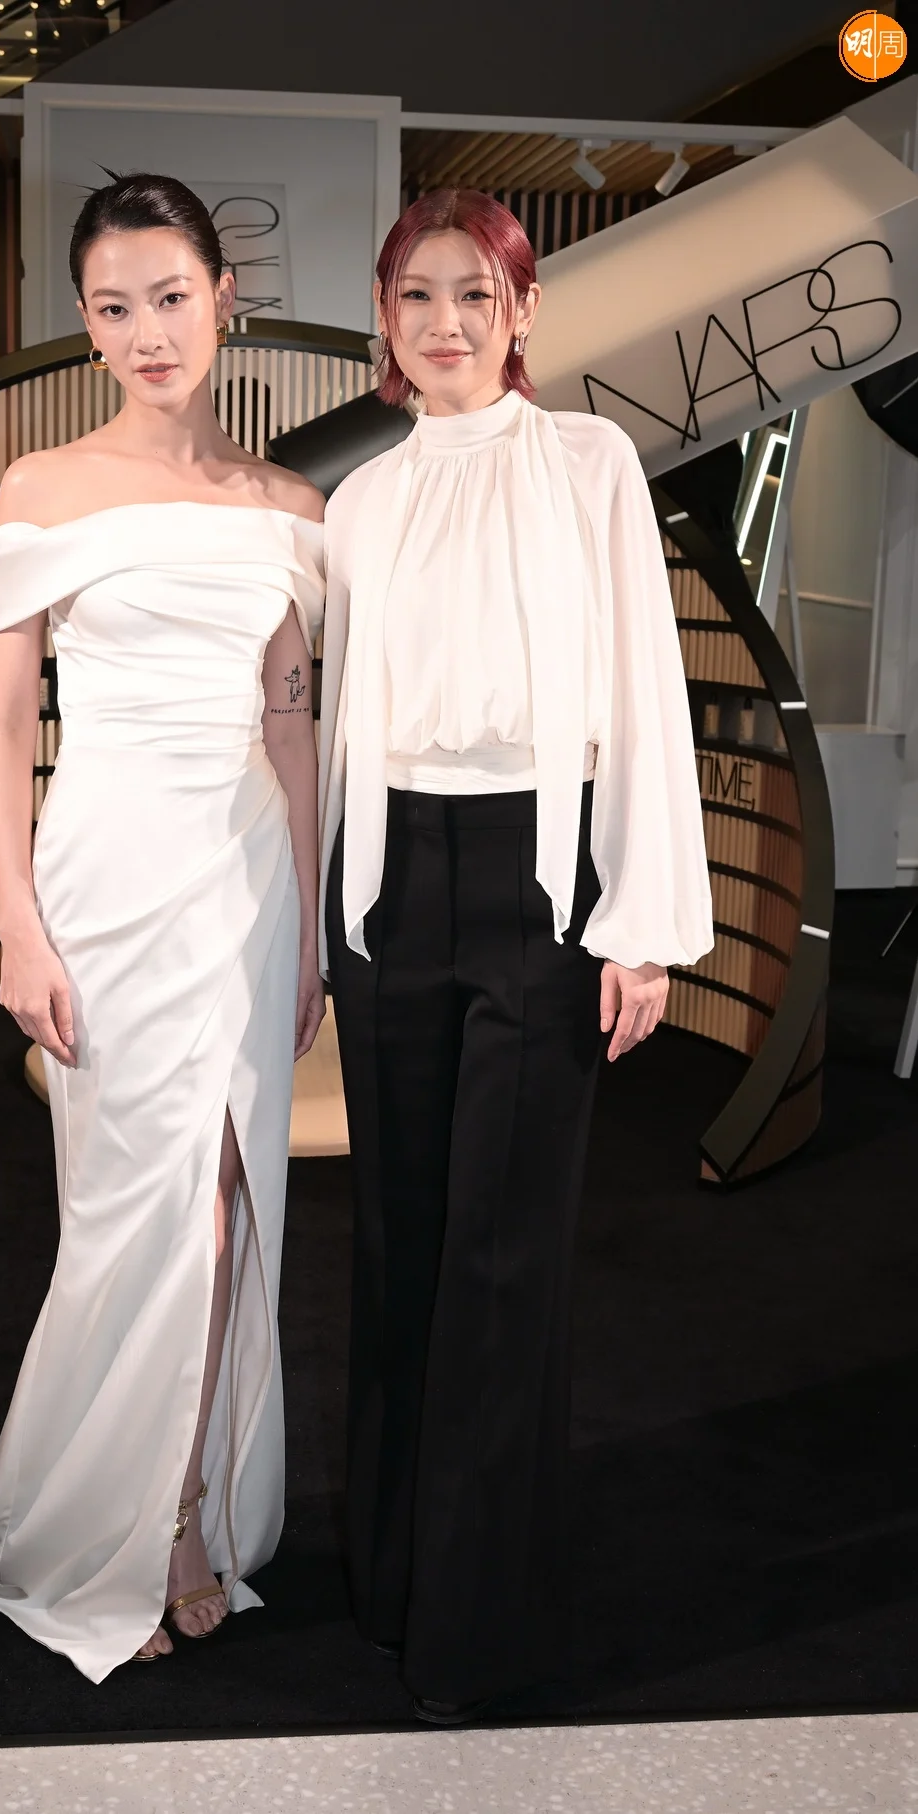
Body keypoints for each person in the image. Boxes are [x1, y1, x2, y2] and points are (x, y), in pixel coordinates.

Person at [0, 172, 326, 1679]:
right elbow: (3, 723)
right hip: (103, 873)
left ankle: (181, 1513)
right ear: (86, 325)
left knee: (227, 1202)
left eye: (170, 297)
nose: (148, 331)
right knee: (132, 1212)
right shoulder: (41, 486)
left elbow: (289, 723)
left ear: (224, 299)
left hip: (247, 878)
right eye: (114, 307)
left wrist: (312, 926)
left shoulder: (290, 508)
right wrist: (15, 925)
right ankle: (106, 1513)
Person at [318, 188, 714, 1726]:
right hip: (389, 885)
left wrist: (643, 923)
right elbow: (335, 726)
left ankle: (479, 1625)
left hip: (540, 887)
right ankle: (392, 1580)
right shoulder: (359, 500)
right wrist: (328, 923)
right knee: (398, 1241)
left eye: (472, 294)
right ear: (384, 320)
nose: (443, 323)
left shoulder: (590, 463)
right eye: (415, 296)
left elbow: (644, 689)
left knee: (502, 1253)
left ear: (521, 312)